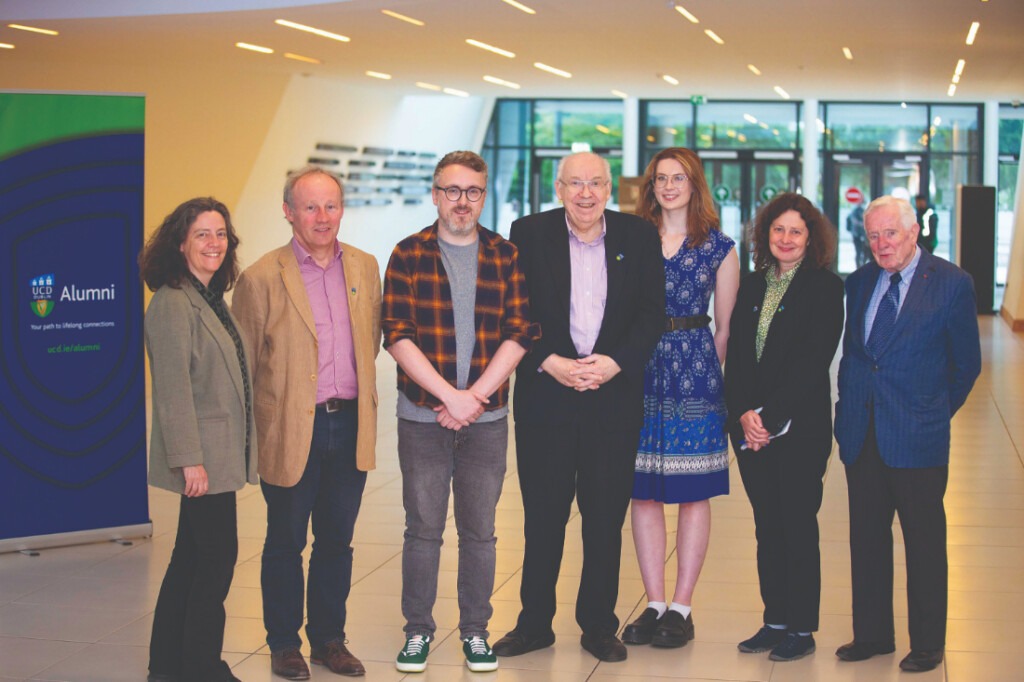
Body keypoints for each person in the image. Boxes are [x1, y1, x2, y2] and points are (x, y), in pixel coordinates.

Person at [493, 152, 664, 663]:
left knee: (603, 517)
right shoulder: (527, 232)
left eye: (595, 183)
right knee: (543, 516)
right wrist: (548, 361)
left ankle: (597, 625)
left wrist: (615, 363)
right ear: (559, 188)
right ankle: (533, 624)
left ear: (610, 189)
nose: (585, 193)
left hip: (612, 399)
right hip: (547, 397)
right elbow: (513, 309)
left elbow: (652, 314)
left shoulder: (637, 236)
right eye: (575, 184)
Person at [382, 151, 540, 674]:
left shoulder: (505, 254)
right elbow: (397, 336)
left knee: (480, 532)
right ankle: (417, 633)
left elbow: (521, 332)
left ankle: (475, 632)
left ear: (483, 195)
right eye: (452, 191)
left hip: (487, 421)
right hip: (423, 419)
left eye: (472, 192)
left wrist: (473, 398)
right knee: (422, 530)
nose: (462, 202)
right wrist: (449, 396)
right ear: (435, 194)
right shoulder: (407, 254)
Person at [232, 166, 381, 680]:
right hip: (293, 430)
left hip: (350, 425)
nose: (322, 217)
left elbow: (372, 341)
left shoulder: (364, 267)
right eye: (311, 207)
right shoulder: (258, 277)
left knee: (337, 541)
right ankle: (283, 644)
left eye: (331, 206)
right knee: (285, 542)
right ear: (288, 211)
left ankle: (329, 641)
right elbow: (245, 366)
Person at [834, 195, 981, 673]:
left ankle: (928, 643)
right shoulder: (857, 283)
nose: (881, 244)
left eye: (890, 234)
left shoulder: (952, 283)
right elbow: (856, 355)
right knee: (867, 540)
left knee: (923, 542)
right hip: (863, 434)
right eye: (873, 235)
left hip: (918, 437)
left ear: (913, 232)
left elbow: (966, 366)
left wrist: (932, 412)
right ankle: (873, 635)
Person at [621, 148, 739, 649]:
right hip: (639, 369)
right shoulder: (632, 240)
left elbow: (726, 330)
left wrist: (704, 379)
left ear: (695, 184)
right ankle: (653, 602)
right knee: (642, 488)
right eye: (661, 178)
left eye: (679, 177)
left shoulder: (719, 247)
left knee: (692, 490)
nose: (669, 186)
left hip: (694, 373)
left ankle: (682, 607)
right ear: (651, 186)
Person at [724, 192, 844, 662]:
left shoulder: (826, 287)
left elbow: (813, 361)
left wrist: (769, 419)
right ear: (765, 234)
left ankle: (802, 627)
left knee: (796, 524)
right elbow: (736, 354)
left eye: (796, 231)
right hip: (751, 430)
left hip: (799, 430)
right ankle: (774, 620)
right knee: (766, 526)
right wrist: (743, 416)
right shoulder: (753, 285)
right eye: (778, 229)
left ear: (810, 238)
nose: (786, 238)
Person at [142, 197, 257, 682]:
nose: (214, 243)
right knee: (215, 562)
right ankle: (201, 667)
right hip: (202, 459)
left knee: (189, 559)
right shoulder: (173, 300)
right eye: (202, 235)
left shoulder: (210, 296)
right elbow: (172, 390)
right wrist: (189, 459)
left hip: (220, 454)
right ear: (181, 243)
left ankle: (168, 667)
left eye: (220, 234)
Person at [846, 201, 869, 268]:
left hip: (860, 235)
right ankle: (859, 267)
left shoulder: (860, 211)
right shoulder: (855, 212)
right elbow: (855, 222)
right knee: (859, 252)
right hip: (858, 235)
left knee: (862, 252)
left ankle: (860, 266)